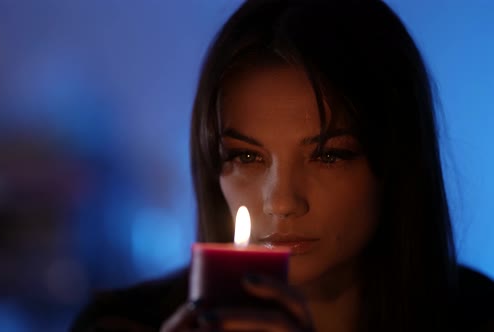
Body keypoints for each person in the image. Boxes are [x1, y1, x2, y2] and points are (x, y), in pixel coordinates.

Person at [70, 0, 494, 331]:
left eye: (329, 155)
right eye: (247, 157)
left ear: (395, 162)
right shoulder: (122, 324)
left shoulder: (477, 318)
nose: (282, 201)